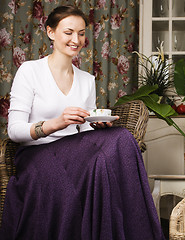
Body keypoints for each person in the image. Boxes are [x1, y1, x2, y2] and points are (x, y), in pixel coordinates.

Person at [0, 5, 165, 240]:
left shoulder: (87, 80)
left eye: (81, 33)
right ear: (50, 32)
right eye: (68, 32)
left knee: (118, 137)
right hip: (36, 156)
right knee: (115, 143)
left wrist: (97, 126)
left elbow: (85, 129)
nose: (76, 40)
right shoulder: (30, 71)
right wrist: (55, 123)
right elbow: (14, 131)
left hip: (74, 154)